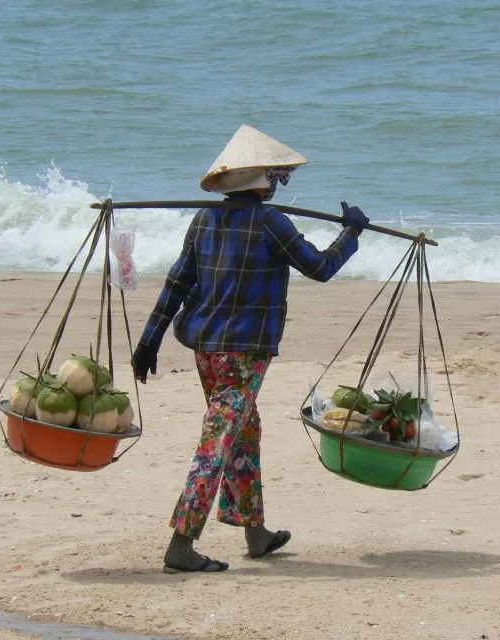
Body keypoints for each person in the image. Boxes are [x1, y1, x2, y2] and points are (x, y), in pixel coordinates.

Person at [132, 124, 369, 573]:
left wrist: (150, 341)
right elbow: (319, 267)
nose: (278, 182)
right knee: (218, 440)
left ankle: (254, 530)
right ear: (262, 179)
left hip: (206, 348)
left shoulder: (204, 217)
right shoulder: (270, 222)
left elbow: (177, 284)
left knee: (244, 430)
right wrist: (352, 234)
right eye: (274, 176)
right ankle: (181, 545)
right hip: (243, 353)